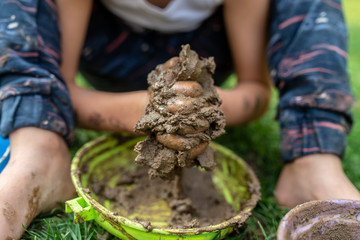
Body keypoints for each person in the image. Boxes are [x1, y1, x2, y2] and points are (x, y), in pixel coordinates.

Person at [0, 0, 359, 238]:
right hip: (109, 50)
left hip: (209, 56)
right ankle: (39, 150)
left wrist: (203, 107)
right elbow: (63, 90)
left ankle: (313, 163)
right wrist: (149, 111)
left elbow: (256, 91)